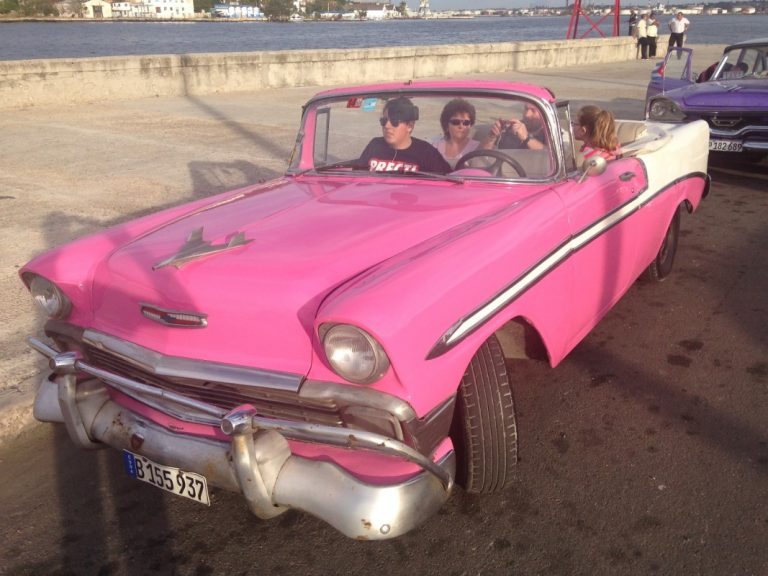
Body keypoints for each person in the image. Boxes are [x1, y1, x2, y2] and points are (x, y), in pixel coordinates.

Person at [359, 96, 451, 174]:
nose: (387, 126)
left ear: (410, 126)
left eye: (395, 121)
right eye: (384, 120)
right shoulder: (375, 145)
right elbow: (357, 174)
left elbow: (449, 181)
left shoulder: (427, 153)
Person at [431, 98, 491, 169]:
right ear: (446, 125)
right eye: (456, 122)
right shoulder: (434, 145)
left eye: (466, 123)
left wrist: (492, 136)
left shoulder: (478, 148)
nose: (461, 126)